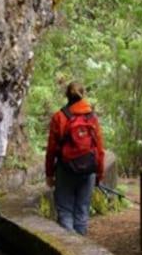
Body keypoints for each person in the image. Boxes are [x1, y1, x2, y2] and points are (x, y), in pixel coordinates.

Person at [45, 81, 105, 235]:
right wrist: (99, 174)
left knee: (65, 211)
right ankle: (80, 247)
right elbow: (99, 148)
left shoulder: (59, 117)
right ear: (83, 94)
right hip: (88, 171)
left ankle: (69, 250)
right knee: (82, 211)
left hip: (65, 169)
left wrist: (49, 174)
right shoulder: (91, 117)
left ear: (66, 95)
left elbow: (51, 149)